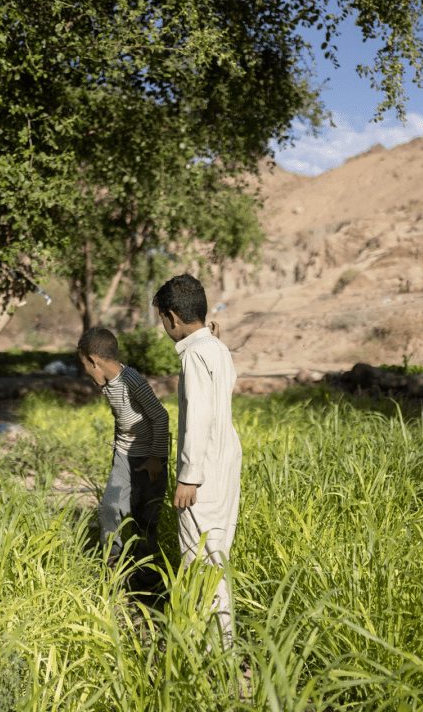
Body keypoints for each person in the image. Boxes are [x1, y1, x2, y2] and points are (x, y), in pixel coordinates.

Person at [153, 274, 241, 644]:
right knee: (215, 554)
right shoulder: (217, 350)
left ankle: (215, 651)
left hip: (203, 472)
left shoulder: (193, 355)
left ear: (173, 317)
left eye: (162, 320)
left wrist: (188, 476)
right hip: (225, 464)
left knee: (200, 561)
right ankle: (221, 646)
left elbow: (199, 417)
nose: (164, 327)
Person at [77, 327, 169, 585]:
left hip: (149, 460)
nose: (85, 371)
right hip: (124, 458)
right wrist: (118, 452)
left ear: (95, 362)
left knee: (145, 518)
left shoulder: (133, 382)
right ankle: (113, 565)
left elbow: (161, 417)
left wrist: (155, 458)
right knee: (109, 508)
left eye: (85, 365)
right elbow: (122, 421)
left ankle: (147, 580)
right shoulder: (108, 384)